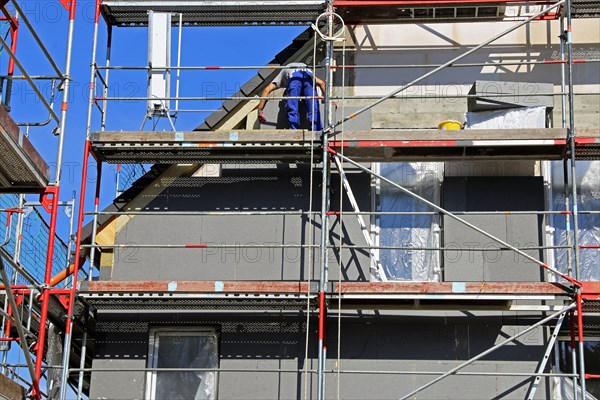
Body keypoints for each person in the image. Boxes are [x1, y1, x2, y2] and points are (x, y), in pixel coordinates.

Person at [257, 62, 326, 131]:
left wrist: (260, 110)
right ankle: (316, 131)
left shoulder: (282, 74)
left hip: (294, 78)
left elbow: (266, 90)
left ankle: (294, 130)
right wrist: (329, 100)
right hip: (308, 78)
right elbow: (322, 83)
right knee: (313, 108)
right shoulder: (307, 71)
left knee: (293, 108)